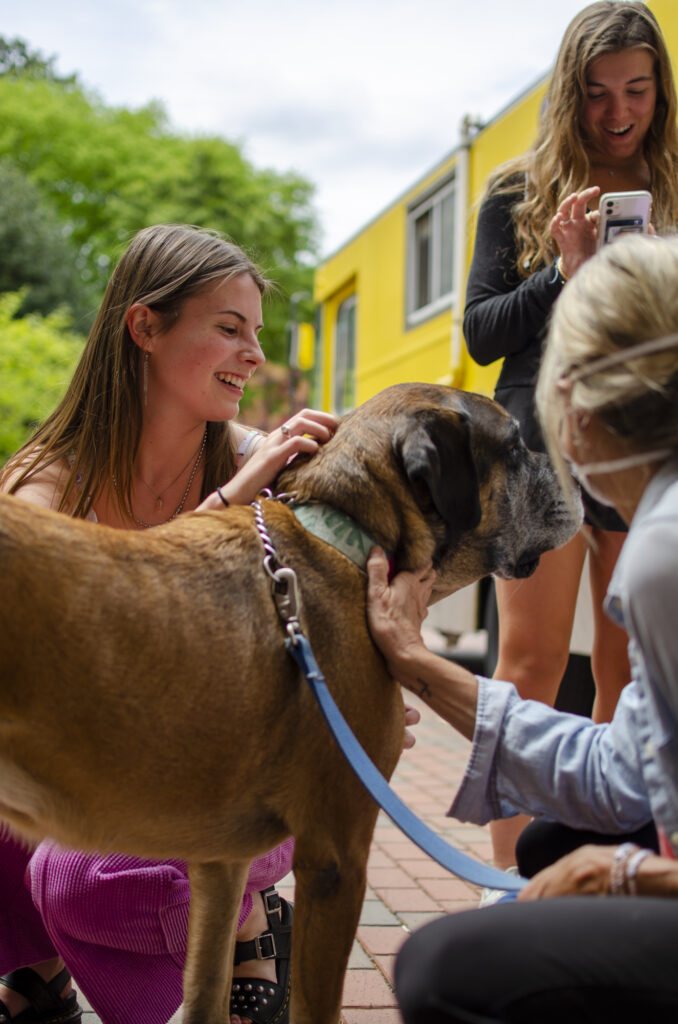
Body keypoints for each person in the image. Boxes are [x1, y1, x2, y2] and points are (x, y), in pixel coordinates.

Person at [0, 223, 339, 1024]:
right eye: (228, 328)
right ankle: (39, 977)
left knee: (78, 880)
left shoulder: (268, 462)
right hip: (95, 760)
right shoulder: (48, 473)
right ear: (143, 327)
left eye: (255, 333)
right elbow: (39, 597)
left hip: (232, 776)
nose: (254, 354)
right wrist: (226, 507)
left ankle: (248, 924)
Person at [366, 231, 678, 1022]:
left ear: (573, 400)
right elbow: (626, 772)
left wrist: (630, 878)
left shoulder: (664, 554)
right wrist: (419, 664)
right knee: (547, 843)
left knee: (441, 969)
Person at [462, 0, 678, 877]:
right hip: (535, 445)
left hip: (640, 441)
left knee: (625, 676)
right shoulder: (515, 190)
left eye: (636, 89)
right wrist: (563, 270)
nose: (618, 113)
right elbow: (480, 335)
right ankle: (511, 883)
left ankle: (596, 870)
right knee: (532, 661)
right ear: (568, 94)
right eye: (596, 93)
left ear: (661, 90)